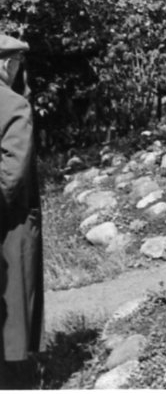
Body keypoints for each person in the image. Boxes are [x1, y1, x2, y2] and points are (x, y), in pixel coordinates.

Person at [0, 36, 41, 388]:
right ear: (7, 64)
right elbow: (11, 175)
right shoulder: (14, 105)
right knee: (15, 300)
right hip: (8, 221)